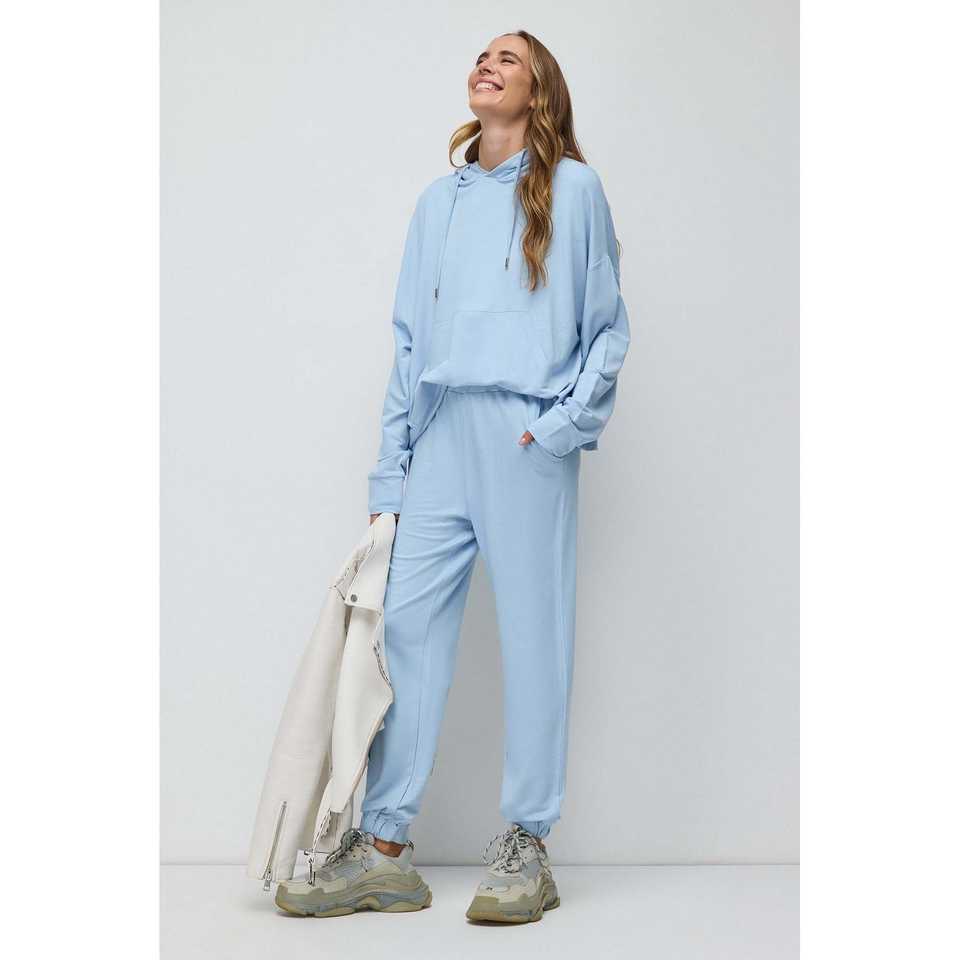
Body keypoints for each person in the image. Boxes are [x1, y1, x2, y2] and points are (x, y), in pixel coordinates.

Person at [276, 29, 630, 924]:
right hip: (439, 437)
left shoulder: (575, 190)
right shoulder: (438, 203)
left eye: (509, 59)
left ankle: (527, 843)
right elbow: (408, 343)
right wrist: (392, 473)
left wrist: (557, 428)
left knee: (535, 636)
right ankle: (384, 848)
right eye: (482, 56)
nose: (487, 65)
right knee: (407, 637)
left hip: (524, 434)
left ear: (540, 89)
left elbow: (606, 328)